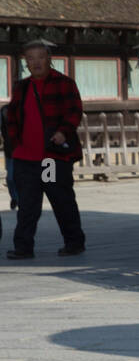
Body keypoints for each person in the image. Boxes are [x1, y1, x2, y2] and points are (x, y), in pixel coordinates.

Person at [5, 40, 86, 259]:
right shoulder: (22, 87)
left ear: (49, 59)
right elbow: (11, 116)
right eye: (30, 58)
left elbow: (74, 112)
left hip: (51, 156)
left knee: (60, 199)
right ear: (26, 63)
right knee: (27, 205)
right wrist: (15, 142)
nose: (36, 62)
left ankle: (74, 242)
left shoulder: (64, 83)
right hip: (26, 157)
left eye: (40, 57)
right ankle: (23, 247)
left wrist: (63, 132)